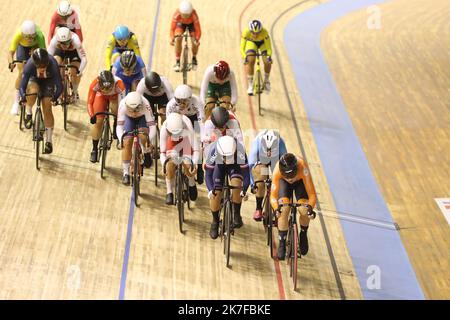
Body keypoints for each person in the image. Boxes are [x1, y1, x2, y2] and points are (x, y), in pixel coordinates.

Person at [270, 153, 317, 260]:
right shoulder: (277, 171)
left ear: (297, 169)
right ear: (282, 172)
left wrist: (310, 207)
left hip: (300, 182)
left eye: (292, 175)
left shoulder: (303, 167)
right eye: (287, 176)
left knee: (304, 210)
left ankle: (303, 234)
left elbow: (312, 194)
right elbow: (273, 196)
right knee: (283, 210)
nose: (290, 179)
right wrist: (276, 208)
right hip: (283, 184)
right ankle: (282, 243)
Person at [205, 135, 250, 239]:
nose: (226, 159)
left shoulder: (240, 151)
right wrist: (210, 191)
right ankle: (215, 221)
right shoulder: (213, 151)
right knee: (215, 193)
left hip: (234, 166)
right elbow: (208, 175)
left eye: (229, 156)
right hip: (219, 167)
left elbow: (246, 174)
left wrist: (244, 190)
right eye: (224, 157)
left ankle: (236, 214)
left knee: (237, 184)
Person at [19, 49, 63, 154]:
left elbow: (60, 86)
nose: (42, 68)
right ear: (35, 64)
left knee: (47, 107)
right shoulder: (30, 65)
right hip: (34, 79)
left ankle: (49, 140)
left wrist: (55, 98)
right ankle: (28, 112)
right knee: (32, 92)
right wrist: (23, 97)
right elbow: (22, 85)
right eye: (40, 66)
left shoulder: (53, 64)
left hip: (48, 81)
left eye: (44, 65)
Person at [166, 84, 204, 184]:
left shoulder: (197, 102)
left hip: (193, 119)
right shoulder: (170, 105)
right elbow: (168, 124)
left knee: (198, 142)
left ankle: (199, 166)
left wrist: (200, 137)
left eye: (185, 101)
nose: (182, 104)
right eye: (179, 101)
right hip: (178, 120)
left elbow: (201, 122)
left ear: (190, 99)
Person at [116, 92, 156, 185]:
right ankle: (126, 173)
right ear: (127, 106)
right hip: (128, 119)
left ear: (140, 106)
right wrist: (121, 138)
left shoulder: (145, 104)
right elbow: (119, 126)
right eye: (131, 110)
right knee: (127, 142)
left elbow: (152, 126)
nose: (134, 113)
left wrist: (148, 140)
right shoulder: (122, 105)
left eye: (136, 110)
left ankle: (146, 152)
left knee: (143, 135)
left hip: (142, 118)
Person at [160, 113, 199, 205]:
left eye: (177, 133)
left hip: (186, 142)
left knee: (188, 164)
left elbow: (196, 149)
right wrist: (164, 165)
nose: (175, 135)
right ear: (168, 130)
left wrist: (193, 164)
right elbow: (162, 152)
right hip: (172, 145)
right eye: (172, 133)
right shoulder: (164, 129)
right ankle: (169, 192)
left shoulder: (187, 126)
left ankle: (191, 182)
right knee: (169, 164)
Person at [8, 20, 46, 115]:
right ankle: (16, 103)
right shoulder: (18, 35)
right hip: (22, 48)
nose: (29, 39)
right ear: (22, 34)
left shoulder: (39, 35)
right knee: (21, 72)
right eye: (27, 37)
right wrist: (11, 62)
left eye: (32, 36)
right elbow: (10, 52)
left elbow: (44, 53)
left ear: (35, 34)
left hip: (35, 47)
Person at [87, 70, 125, 163]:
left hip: (114, 97)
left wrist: (119, 119)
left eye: (109, 88)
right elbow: (89, 102)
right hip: (101, 97)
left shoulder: (119, 84)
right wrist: (92, 115)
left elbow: (123, 104)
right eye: (104, 88)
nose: (107, 90)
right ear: (100, 84)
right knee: (98, 122)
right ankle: (94, 149)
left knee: (116, 110)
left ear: (113, 83)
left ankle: (116, 123)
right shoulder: (95, 83)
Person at [249, 129, 287, 221]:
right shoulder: (257, 143)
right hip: (261, 160)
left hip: (275, 160)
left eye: (271, 150)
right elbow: (249, 167)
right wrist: (252, 183)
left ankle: (275, 205)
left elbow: (285, 166)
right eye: (267, 150)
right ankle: (258, 208)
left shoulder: (280, 144)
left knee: (279, 178)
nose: (269, 153)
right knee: (260, 178)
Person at [47, 27, 87, 102]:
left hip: (73, 52)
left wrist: (79, 71)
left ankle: (75, 91)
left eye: (67, 42)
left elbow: (84, 59)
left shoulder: (76, 40)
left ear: (71, 39)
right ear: (58, 41)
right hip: (60, 51)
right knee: (56, 64)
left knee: (74, 71)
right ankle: (58, 88)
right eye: (62, 43)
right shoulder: (54, 41)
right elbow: (48, 58)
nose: (65, 45)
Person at [240, 19, 273, 95]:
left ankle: (266, 80)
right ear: (250, 31)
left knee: (267, 62)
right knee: (250, 60)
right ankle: (250, 84)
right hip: (251, 43)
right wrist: (245, 57)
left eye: (257, 33)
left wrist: (269, 56)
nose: (255, 35)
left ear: (260, 31)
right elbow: (242, 48)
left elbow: (269, 48)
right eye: (253, 33)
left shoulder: (265, 32)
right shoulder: (246, 32)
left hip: (262, 44)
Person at [170, 0, 201, 71]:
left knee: (194, 41)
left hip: (191, 25)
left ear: (191, 12)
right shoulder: (177, 14)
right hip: (180, 24)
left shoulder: (194, 15)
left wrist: (196, 39)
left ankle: (194, 58)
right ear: (180, 12)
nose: (186, 17)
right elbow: (172, 29)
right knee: (178, 38)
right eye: (184, 15)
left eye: (187, 15)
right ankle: (177, 61)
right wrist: (172, 39)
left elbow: (198, 30)